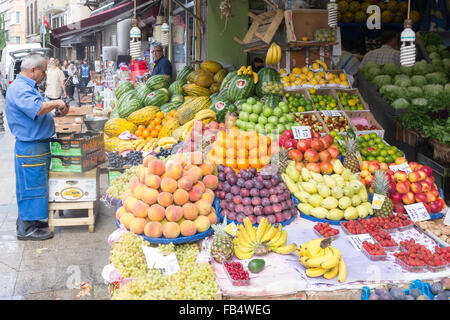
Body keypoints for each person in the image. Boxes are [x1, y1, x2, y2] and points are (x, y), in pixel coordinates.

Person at [4, 53, 69, 241]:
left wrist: (55, 112)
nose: (45, 75)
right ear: (33, 70)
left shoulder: (27, 87)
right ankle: (26, 228)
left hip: (36, 146)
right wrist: (56, 102)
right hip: (30, 148)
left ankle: (31, 221)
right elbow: (38, 109)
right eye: (43, 71)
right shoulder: (19, 89)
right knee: (31, 187)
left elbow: (40, 111)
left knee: (36, 186)